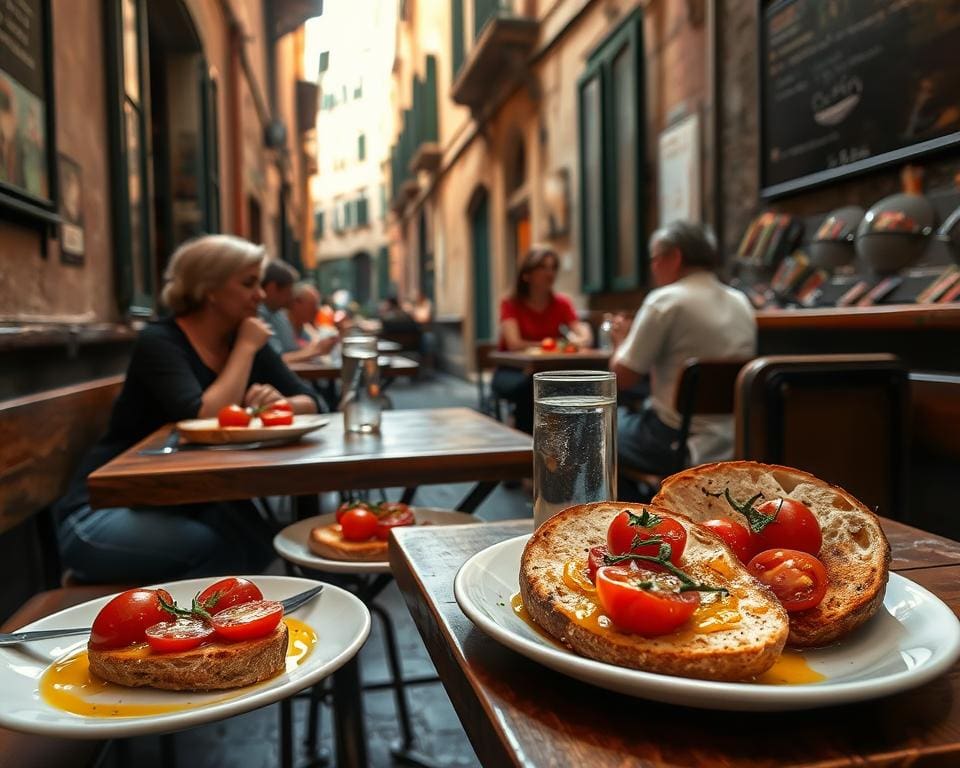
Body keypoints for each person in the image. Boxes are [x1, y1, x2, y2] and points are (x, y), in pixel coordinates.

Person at [54, 235, 324, 583]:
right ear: (208, 288)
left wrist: (273, 403)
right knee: (219, 550)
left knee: (257, 543)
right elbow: (202, 416)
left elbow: (312, 402)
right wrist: (245, 349)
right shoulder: (161, 342)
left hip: (182, 499)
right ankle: (121, 594)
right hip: (101, 512)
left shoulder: (243, 335)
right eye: (248, 283)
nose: (260, 295)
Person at [610, 221, 756, 487]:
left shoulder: (665, 300)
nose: (653, 268)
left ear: (675, 257)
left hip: (677, 441)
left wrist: (621, 341)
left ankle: (632, 509)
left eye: (655, 260)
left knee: (599, 425)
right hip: (736, 437)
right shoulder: (741, 301)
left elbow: (622, 378)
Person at [492, 246, 592, 433]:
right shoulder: (510, 304)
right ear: (527, 275)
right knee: (534, 386)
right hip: (512, 371)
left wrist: (583, 336)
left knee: (578, 383)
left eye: (553, 267)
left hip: (549, 371)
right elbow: (515, 343)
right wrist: (557, 345)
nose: (550, 273)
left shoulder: (562, 303)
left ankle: (566, 441)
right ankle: (526, 444)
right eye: (543, 268)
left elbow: (582, 332)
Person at [259, 262, 336, 363]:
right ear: (272, 288)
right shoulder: (260, 314)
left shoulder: (277, 314)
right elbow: (275, 362)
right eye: (289, 291)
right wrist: (317, 350)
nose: (291, 298)